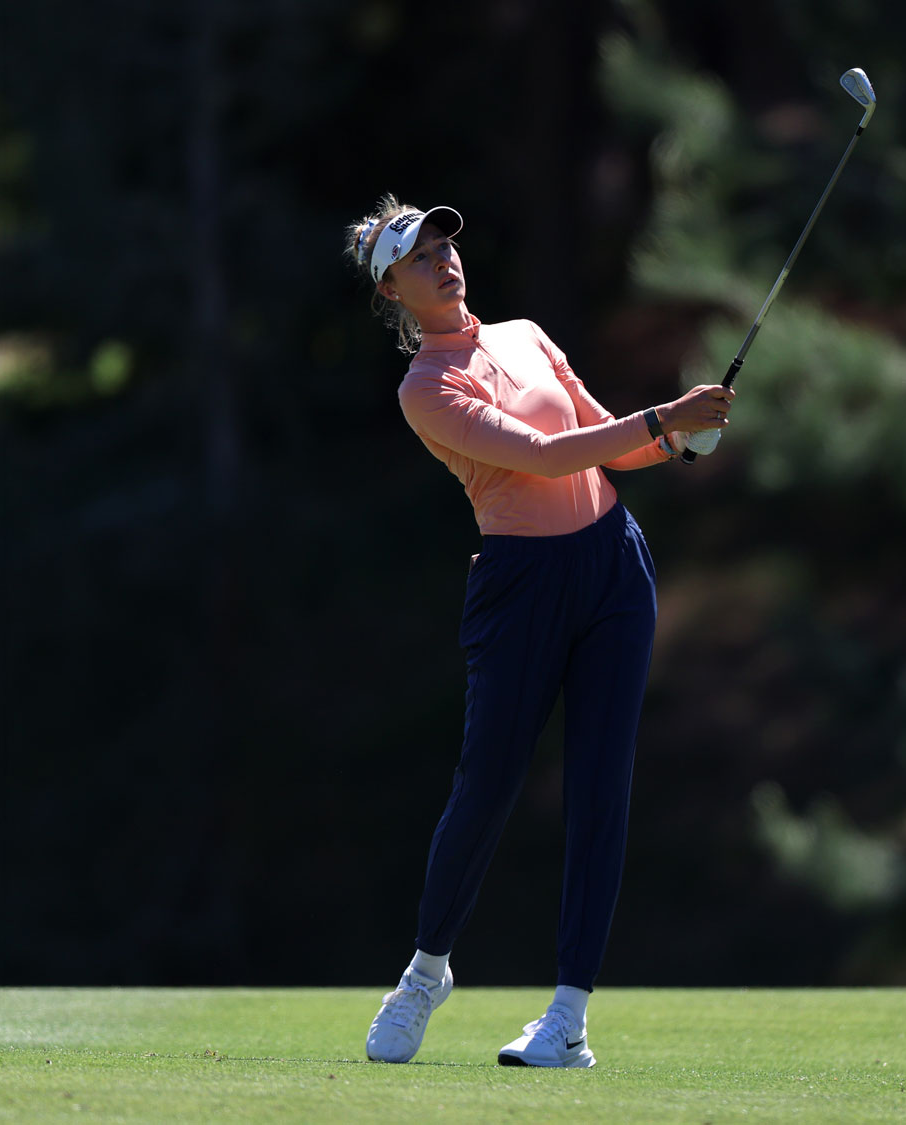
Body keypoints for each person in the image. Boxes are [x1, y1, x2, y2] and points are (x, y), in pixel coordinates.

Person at [343, 195, 733, 1068]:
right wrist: (667, 416)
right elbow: (546, 455)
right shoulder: (426, 389)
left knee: (603, 785)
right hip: (522, 589)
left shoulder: (523, 333)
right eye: (418, 256)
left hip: (611, 568)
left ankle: (569, 1017)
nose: (443, 259)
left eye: (444, 242)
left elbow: (597, 440)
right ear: (393, 292)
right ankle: (426, 970)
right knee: (487, 784)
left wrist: (675, 441)